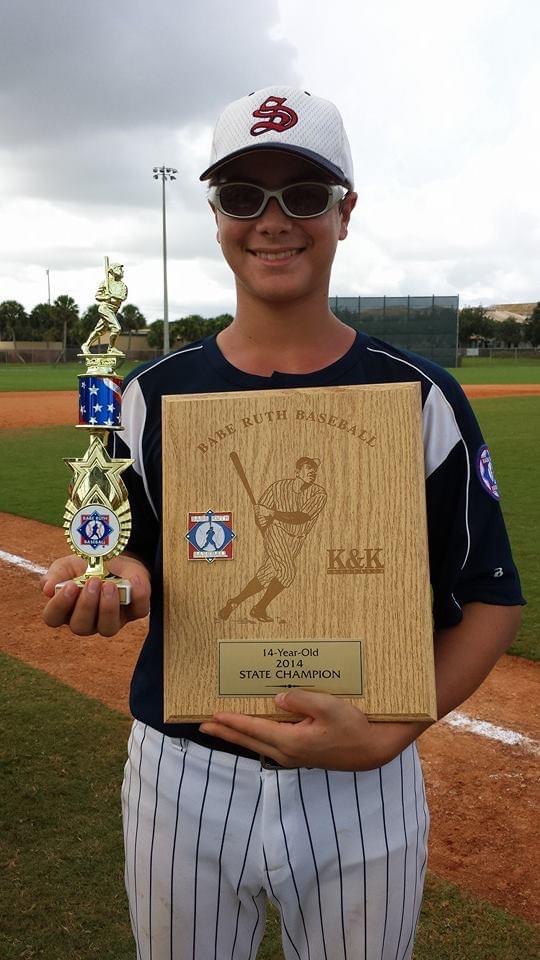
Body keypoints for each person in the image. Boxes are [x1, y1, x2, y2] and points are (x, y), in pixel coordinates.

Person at [41, 86, 524, 960]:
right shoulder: (149, 395)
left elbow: (489, 593)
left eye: (303, 194)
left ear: (345, 212)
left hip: (363, 782)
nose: (272, 220)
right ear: (216, 213)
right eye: (242, 195)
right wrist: (118, 579)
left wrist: (392, 733)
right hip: (182, 773)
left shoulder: (420, 397)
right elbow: (127, 551)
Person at [219, 456, 327, 622]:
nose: (313, 471)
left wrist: (270, 513)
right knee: (287, 572)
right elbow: (261, 516)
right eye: (309, 467)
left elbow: (301, 517)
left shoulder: (319, 493)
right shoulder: (278, 487)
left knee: (266, 574)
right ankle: (259, 608)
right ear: (297, 472)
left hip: (297, 540)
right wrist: (262, 519)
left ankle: (234, 602)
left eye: (315, 469)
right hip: (276, 532)